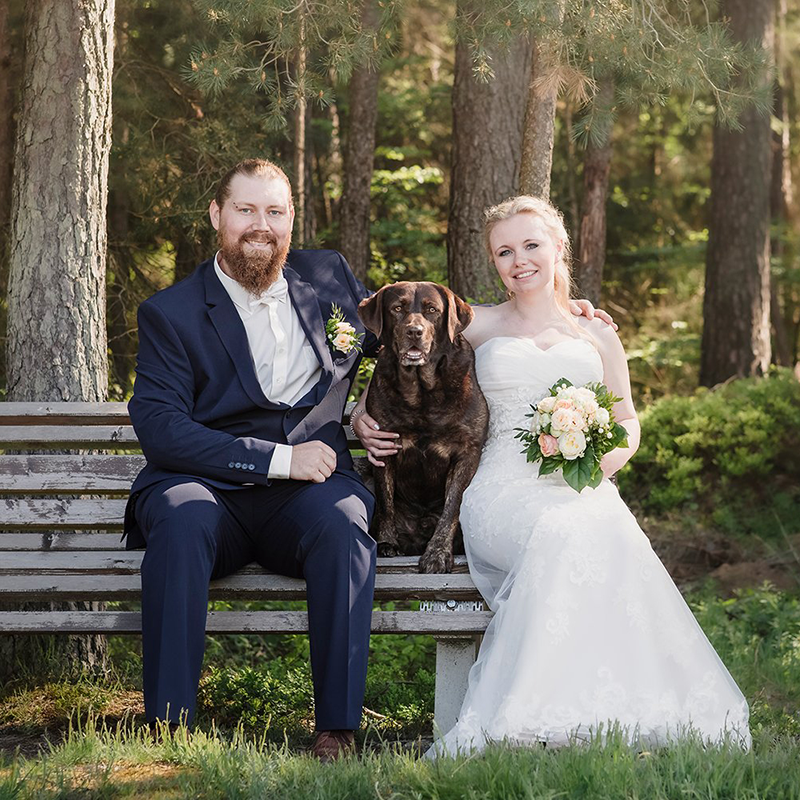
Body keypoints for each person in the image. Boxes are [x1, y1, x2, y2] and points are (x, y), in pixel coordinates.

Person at [356, 195, 751, 753]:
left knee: (602, 531)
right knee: (563, 536)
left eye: (531, 245)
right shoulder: (474, 326)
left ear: (560, 247)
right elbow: (399, 365)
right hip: (499, 492)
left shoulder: (598, 332)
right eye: (504, 252)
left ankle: (612, 707)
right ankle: (532, 714)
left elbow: (626, 420)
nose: (519, 261)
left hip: (582, 487)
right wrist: (358, 415)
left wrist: (602, 461)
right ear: (493, 262)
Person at [124, 158, 379, 761]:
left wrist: (549, 316)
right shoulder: (173, 312)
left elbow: (398, 334)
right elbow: (159, 429)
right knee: (179, 517)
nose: (260, 225)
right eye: (246, 210)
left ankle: (338, 729)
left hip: (309, 498)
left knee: (346, 525)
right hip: (209, 488)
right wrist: (276, 460)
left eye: (275, 211)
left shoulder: (330, 275)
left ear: (292, 219)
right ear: (217, 215)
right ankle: (170, 730)